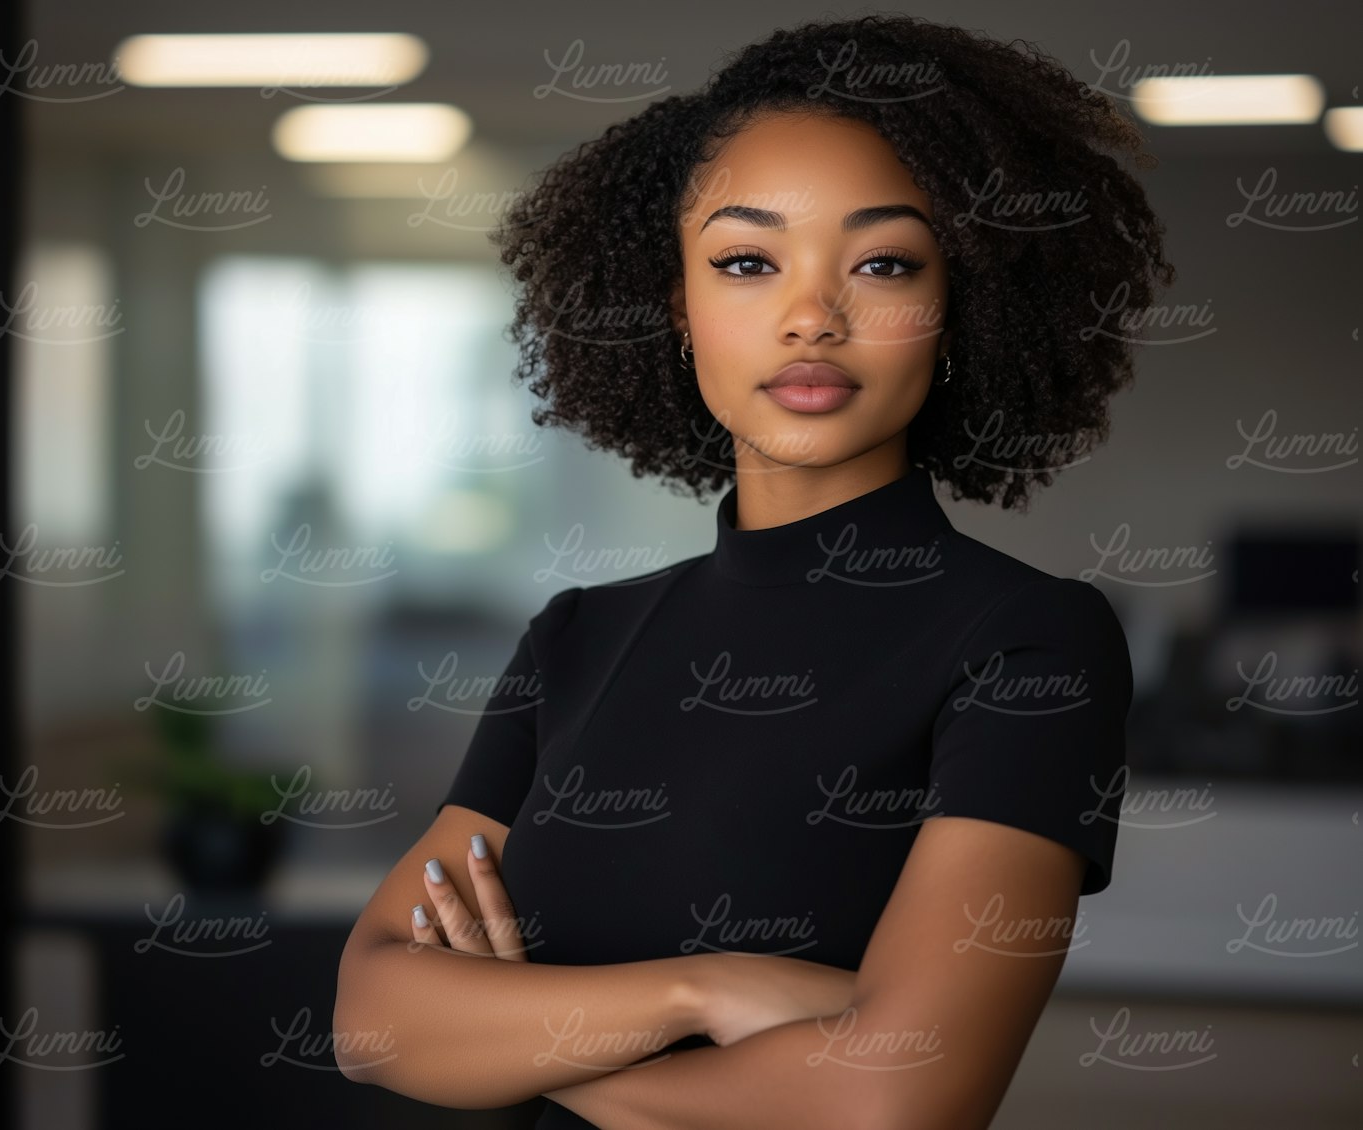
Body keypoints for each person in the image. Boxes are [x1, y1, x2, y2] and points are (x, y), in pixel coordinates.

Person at [333, 12, 1174, 1129]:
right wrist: (704, 987)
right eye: (745, 261)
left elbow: (896, 1097)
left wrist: (514, 1035)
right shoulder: (577, 637)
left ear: (956, 310)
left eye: (883, 262)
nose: (812, 317)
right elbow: (372, 1020)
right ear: (678, 310)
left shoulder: (1031, 641)